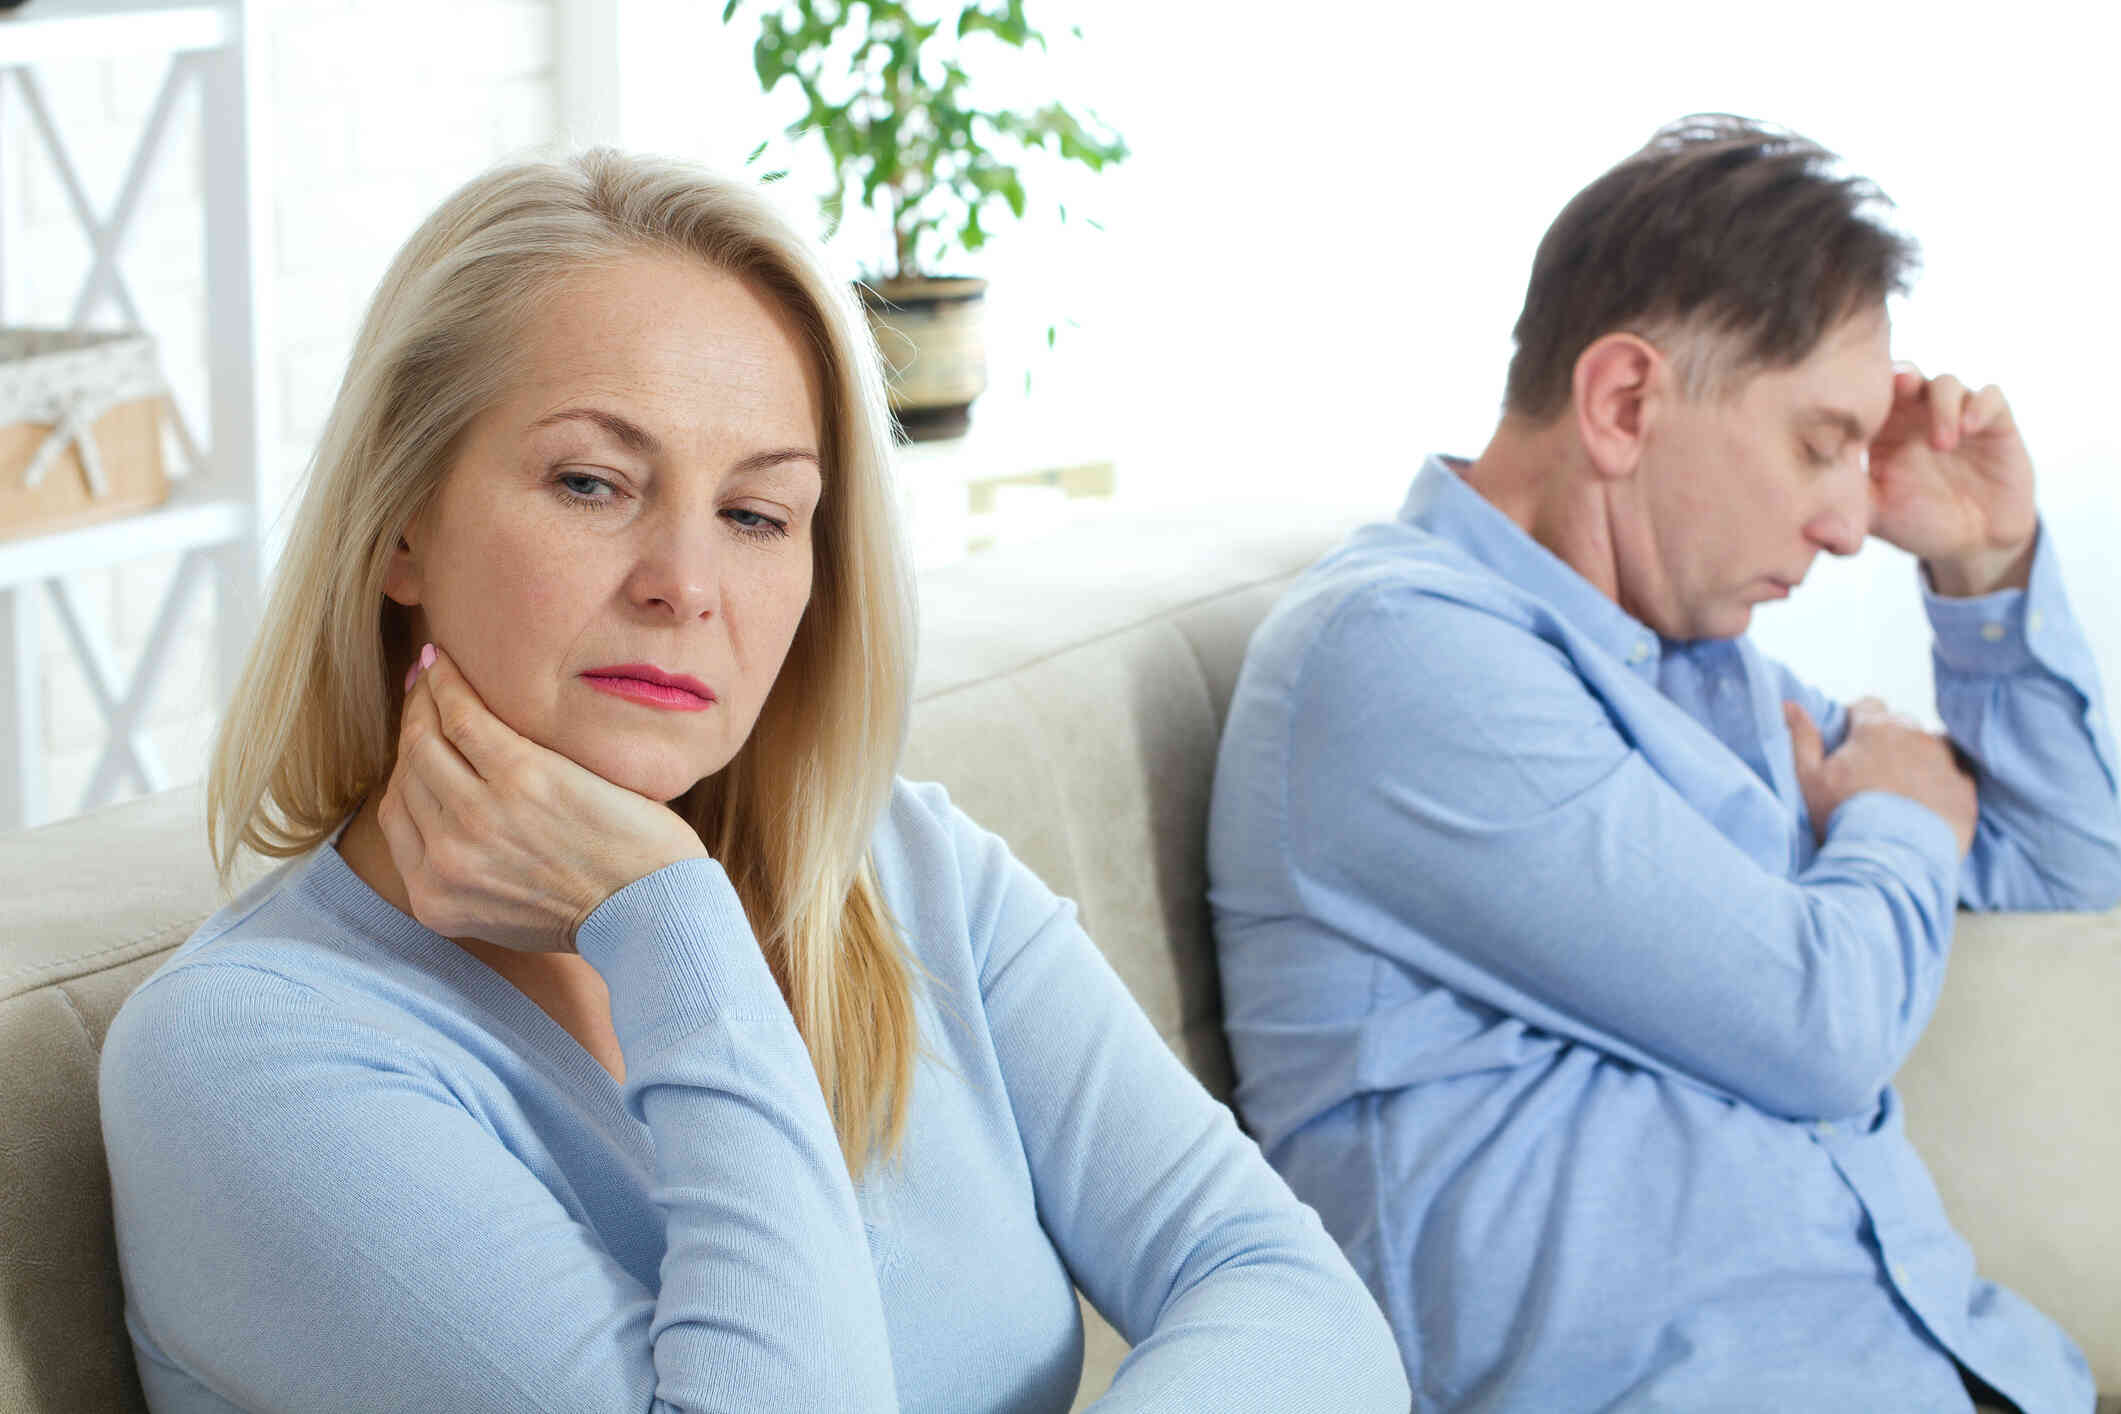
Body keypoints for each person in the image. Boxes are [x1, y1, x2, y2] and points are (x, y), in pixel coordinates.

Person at [97, 148, 1408, 1413]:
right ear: (399, 525)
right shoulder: (238, 1055)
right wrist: (671, 922)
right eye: (593, 481)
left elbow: (1298, 1305)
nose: (686, 582)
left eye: (756, 513)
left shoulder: (901, 869)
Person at [1208, 114, 2121, 1413]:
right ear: (1625, 402)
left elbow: (2064, 869)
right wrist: (1896, 819)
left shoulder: (1695, 662)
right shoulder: (1398, 656)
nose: (1852, 522)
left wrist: (1981, 561)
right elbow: (1817, 1028)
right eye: (1819, 443)